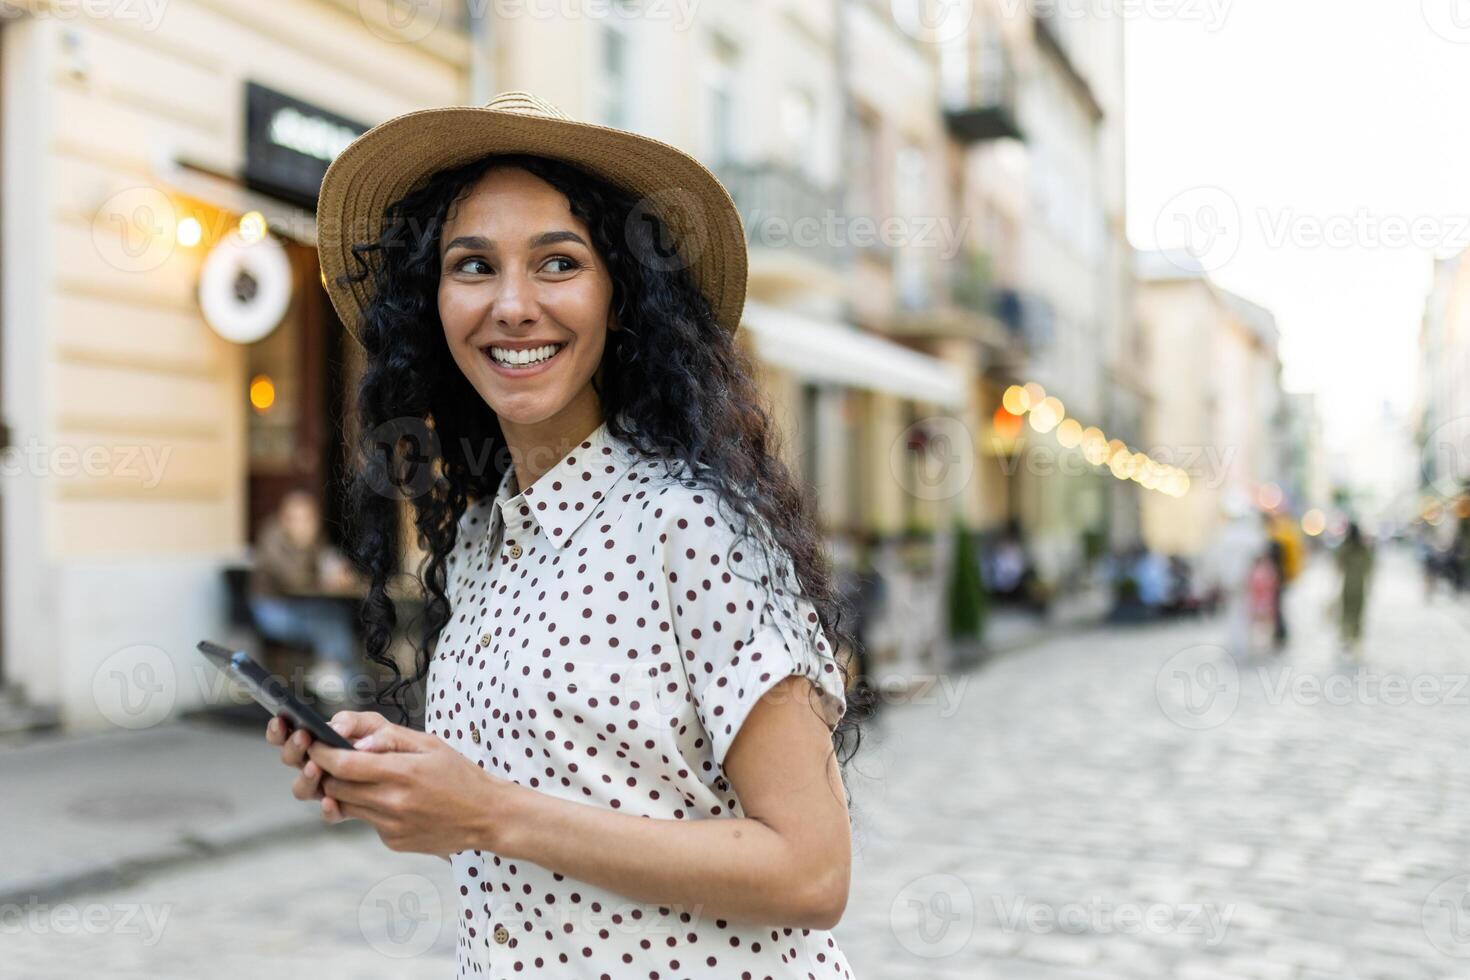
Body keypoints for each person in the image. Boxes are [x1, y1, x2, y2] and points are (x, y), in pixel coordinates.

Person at [265, 91, 858, 978]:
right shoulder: (478, 543)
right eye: (472, 266)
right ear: (432, 304)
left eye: (558, 262)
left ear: (622, 298)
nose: (512, 305)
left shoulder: (692, 526)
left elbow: (813, 871)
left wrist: (488, 812)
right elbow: (555, 820)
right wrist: (405, 793)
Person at [248, 488, 364, 698]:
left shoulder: (315, 538)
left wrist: (340, 571)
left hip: (301, 605)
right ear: (284, 518)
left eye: (308, 517)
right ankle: (337, 675)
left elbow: (328, 562)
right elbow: (291, 580)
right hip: (270, 609)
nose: (303, 523)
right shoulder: (272, 538)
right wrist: (306, 550)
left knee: (335, 614)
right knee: (325, 621)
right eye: (297, 517)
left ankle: (338, 671)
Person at [1337, 521, 1375, 660]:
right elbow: (1369, 566)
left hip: (1347, 584)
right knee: (1357, 613)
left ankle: (1346, 637)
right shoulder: (1364, 548)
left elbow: (1338, 565)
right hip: (1359, 584)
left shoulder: (1345, 547)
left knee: (1346, 612)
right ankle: (1355, 638)